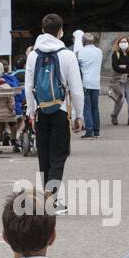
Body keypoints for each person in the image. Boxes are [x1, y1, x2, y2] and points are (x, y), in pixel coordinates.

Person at [24, 14, 84, 211]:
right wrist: (79, 114)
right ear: (61, 32)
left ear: (42, 30)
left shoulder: (33, 55)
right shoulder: (67, 55)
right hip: (59, 109)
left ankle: (46, 198)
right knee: (58, 155)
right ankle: (52, 200)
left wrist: (31, 112)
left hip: (41, 110)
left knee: (44, 156)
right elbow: (76, 89)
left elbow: (28, 87)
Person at [76, 32, 104, 138]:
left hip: (85, 83)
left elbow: (76, 67)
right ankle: (97, 131)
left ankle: (89, 131)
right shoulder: (99, 51)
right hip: (96, 82)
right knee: (95, 108)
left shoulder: (80, 52)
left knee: (86, 108)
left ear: (83, 42)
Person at [110, 35, 129, 125]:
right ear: (118, 43)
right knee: (120, 99)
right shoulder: (116, 54)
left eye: (125, 42)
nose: (124, 43)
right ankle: (114, 115)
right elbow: (115, 67)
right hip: (119, 80)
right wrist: (127, 68)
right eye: (122, 42)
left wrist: (124, 66)